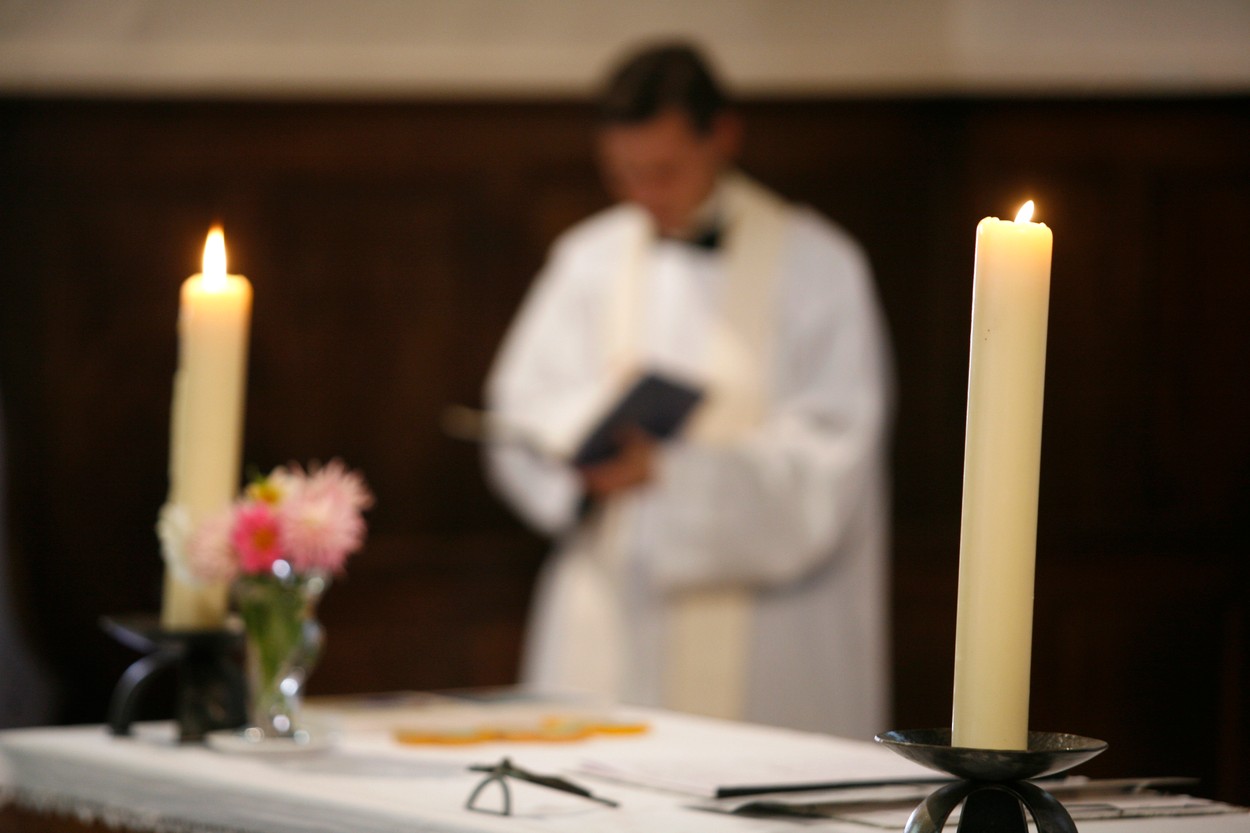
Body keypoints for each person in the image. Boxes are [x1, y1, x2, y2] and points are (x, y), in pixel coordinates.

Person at [483, 42, 893, 738]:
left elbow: (834, 456)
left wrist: (674, 474)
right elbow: (521, 406)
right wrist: (583, 451)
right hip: (613, 614)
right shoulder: (589, 258)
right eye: (625, 175)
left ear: (723, 136)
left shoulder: (820, 266)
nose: (645, 195)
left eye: (664, 171)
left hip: (771, 634)